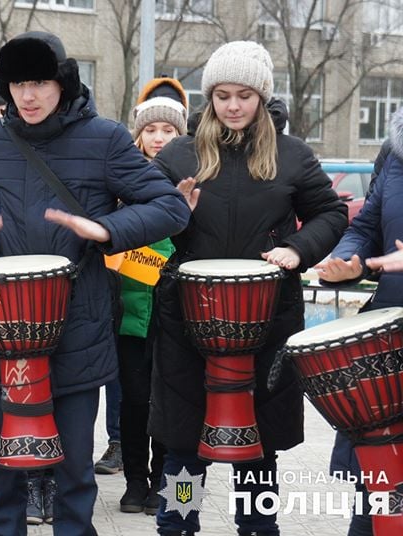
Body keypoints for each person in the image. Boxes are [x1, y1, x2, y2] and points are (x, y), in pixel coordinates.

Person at [0, 31, 190, 535]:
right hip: (4, 333)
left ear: (62, 84)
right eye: (17, 84)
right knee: (3, 471)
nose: (27, 96)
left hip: (78, 327)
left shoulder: (106, 137)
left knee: (74, 472)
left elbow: (171, 206)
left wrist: (108, 230)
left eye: (39, 83)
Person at [147, 41, 348, 536]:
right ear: (209, 97)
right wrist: (173, 212)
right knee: (183, 446)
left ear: (262, 97)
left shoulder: (292, 154)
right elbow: (143, 214)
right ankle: (179, 523)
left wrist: (298, 250)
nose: (232, 106)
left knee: (257, 445)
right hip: (186, 321)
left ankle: (257, 526)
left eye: (244, 95)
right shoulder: (179, 153)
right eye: (221, 95)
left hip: (269, 321)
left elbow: (331, 212)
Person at [315, 107, 403, 536]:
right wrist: (351, 260)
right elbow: (367, 224)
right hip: (389, 343)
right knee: (376, 499)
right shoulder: (395, 149)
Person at [115, 77, 187, 516]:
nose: (159, 138)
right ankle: (134, 481)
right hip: (127, 310)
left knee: (172, 398)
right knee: (134, 398)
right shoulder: (120, 182)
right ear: (138, 134)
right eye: (151, 130)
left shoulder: (195, 180)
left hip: (176, 312)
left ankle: (168, 479)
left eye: (169, 131)